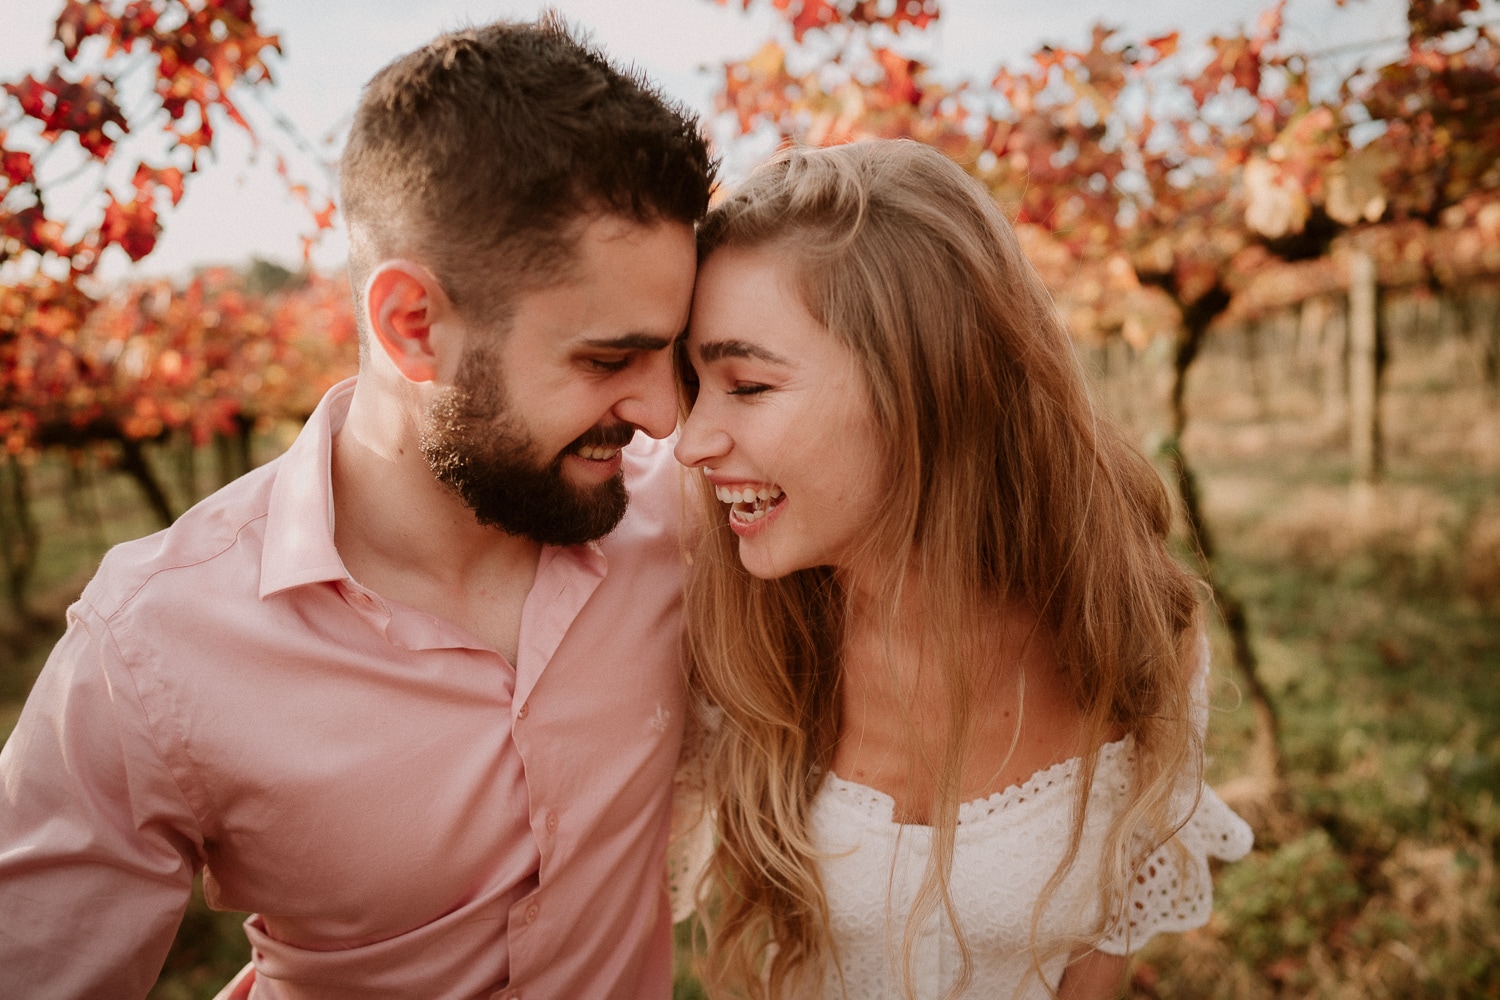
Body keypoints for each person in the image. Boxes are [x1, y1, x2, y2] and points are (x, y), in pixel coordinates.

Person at [0, 17, 712, 1000]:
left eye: (669, 355)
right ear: (412, 324)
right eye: (605, 360)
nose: (662, 412)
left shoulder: (685, 519)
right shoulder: (151, 650)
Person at [670, 140, 1252, 1000]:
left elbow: (1100, 957)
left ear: (924, 383)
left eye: (747, 387)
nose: (690, 441)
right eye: (696, 386)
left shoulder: (1126, 632)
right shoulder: (722, 628)